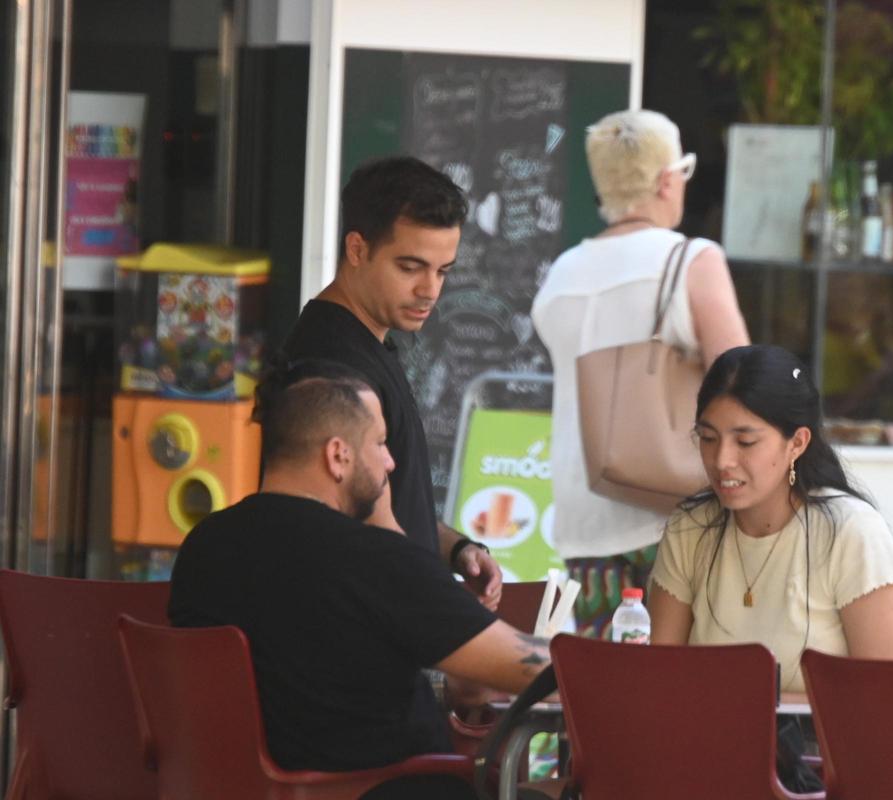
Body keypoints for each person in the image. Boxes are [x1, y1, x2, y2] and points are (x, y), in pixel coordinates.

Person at [169, 360, 551, 800]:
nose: (391, 462)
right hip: (390, 789)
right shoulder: (372, 558)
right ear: (338, 455)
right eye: (381, 442)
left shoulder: (202, 548)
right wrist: (603, 662)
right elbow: (524, 669)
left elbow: (311, 684)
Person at [532, 109, 749, 638]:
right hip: (676, 512)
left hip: (584, 518)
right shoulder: (691, 261)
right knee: (686, 672)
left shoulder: (561, 274)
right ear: (666, 180)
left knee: (607, 673)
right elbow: (744, 383)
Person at [284, 156, 501, 610]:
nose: (430, 290)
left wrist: (456, 549)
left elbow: (390, 505)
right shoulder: (335, 362)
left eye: (443, 271)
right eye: (410, 267)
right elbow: (353, 532)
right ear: (357, 249)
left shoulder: (364, 342)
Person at [648, 344, 893, 682]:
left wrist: (761, 703)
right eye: (708, 438)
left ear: (797, 443)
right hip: (707, 719)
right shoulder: (691, 528)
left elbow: (892, 693)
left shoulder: (850, 532)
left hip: (814, 724)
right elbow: (660, 676)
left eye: (745, 442)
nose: (721, 460)